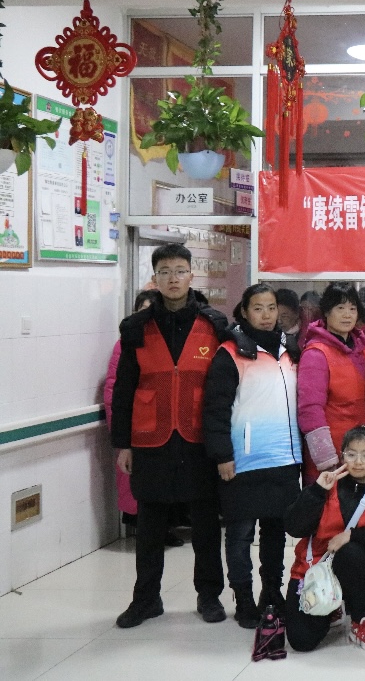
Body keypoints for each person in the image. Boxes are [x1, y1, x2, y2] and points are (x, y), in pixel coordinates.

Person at [110, 244, 230, 628]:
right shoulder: (135, 329)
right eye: (165, 272)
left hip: (199, 439)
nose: (173, 278)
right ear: (155, 278)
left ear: (191, 275)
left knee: (206, 524)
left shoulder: (215, 325)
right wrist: (122, 444)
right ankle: (146, 599)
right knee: (149, 526)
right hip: (150, 439)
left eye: (180, 270)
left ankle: (209, 596)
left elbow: (225, 389)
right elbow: (124, 389)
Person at [202, 283, 302, 629]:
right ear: (244, 312)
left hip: (284, 458)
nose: (266, 315)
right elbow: (215, 409)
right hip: (243, 460)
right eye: (258, 308)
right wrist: (222, 455)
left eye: (271, 308)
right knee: (241, 534)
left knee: (275, 533)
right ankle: (243, 597)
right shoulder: (230, 352)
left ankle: (272, 593)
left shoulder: (290, 350)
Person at [284, 426, 365, 653]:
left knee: (352, 552)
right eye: (351, 454)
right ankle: (332, 608)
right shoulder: (326, 485)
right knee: (301, 641)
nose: (358, 461)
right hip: (314, 571)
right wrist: (316, 492)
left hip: (353, 569)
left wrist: (354, 535)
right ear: (342, 456)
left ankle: (360, 620)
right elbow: (294, 528)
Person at [297, 282, 365, 485]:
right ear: (327, 312)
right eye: (340, 308)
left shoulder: (360, 349)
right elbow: (310, 409)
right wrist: (326, 459)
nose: (347, 315)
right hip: (332, 460)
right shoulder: (316, 354)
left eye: (352, 309)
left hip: (361, 453)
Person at [104, 289, 160, 537]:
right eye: (142, 311)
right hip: (138, 426)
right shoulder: (126, 343)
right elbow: (114, 390)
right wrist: (120, 435)